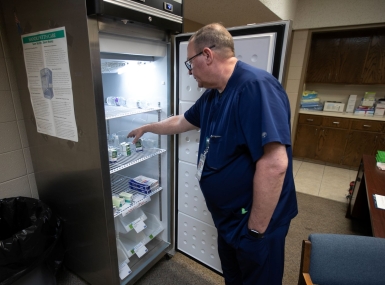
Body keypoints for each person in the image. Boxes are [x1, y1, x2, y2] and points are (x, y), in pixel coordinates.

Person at [127, 23, 298, 285]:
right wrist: (147, 128)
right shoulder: (213, 96)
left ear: (207, 55)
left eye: (190, 63)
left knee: (258, 279)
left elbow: (275, 164)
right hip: (229, 218)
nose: (190, 72)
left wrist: (254, 232)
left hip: (255, 223)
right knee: (234, 276)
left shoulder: (255, 87)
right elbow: (181, 121)